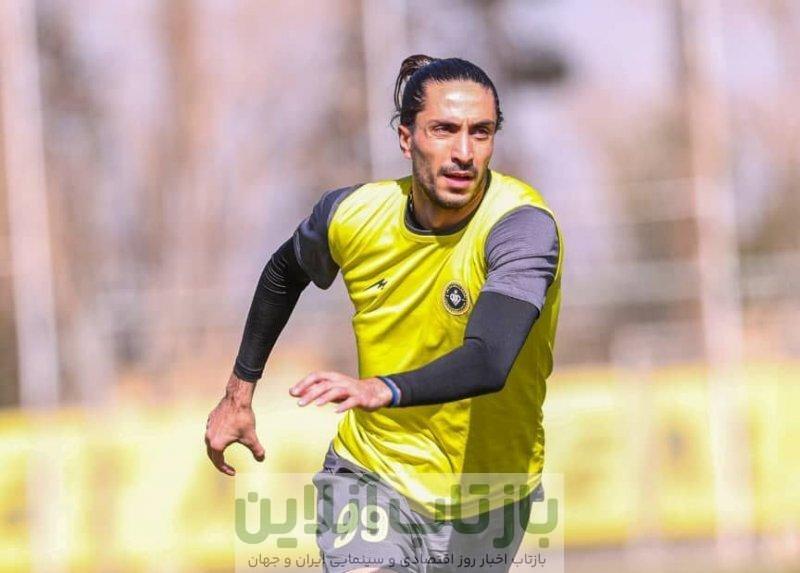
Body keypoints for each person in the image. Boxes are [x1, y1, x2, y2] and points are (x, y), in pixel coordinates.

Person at [205, 54, 563, 572]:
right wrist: (238, 395)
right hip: (372, 476)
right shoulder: (352, 215)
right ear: (406, 137)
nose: (464, 152)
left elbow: (489, 360)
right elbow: (283, 273)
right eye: (444, 130)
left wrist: (381, 389)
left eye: (480, 132)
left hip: (490, 496)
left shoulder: (521, 228)